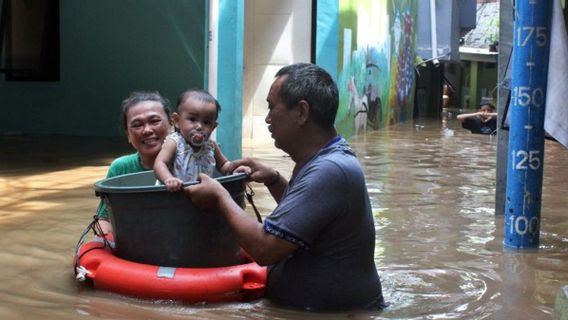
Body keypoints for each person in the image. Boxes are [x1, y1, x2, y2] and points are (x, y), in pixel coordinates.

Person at [184, 63, 385, 311]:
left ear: (301, 112)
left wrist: (220, 196)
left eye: (271, 107)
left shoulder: (330, 170)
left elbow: (265, 248)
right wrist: (274, 180)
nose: (267, 118)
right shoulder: (326, 158)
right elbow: (308, 219)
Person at [95, 91, 172, 234]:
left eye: (155, 121)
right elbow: (104, 219)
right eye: (137, 125)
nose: (147, 130)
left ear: (172, 125)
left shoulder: (192, 163)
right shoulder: (121, 168)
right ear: (128, 135)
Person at [153, 89, 234, 192]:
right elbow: (160, 163)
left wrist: (235, 169)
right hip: (173, 195)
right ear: (177, 121)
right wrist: (168, 179)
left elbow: (223, 165)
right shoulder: (175, 143)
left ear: (213, 127)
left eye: (207, 122)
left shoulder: (211, 146)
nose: (199, 126)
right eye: (192, 119)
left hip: (201, 196)